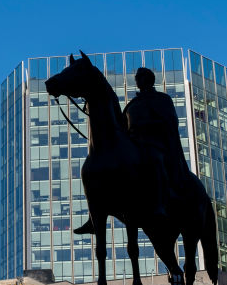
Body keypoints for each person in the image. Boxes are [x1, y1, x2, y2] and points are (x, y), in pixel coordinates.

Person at [74, 66, 183, 235]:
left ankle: (160, 204)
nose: (138, 80)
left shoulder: (162, 99)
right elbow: (121, 127)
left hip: (153, 144)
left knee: (155, 159)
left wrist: (148, 126)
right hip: (134, 145)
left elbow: (170, 122)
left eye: (141, 77)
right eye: (137, 78)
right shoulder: (132, 104)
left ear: (149, 80)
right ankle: (94, 217)